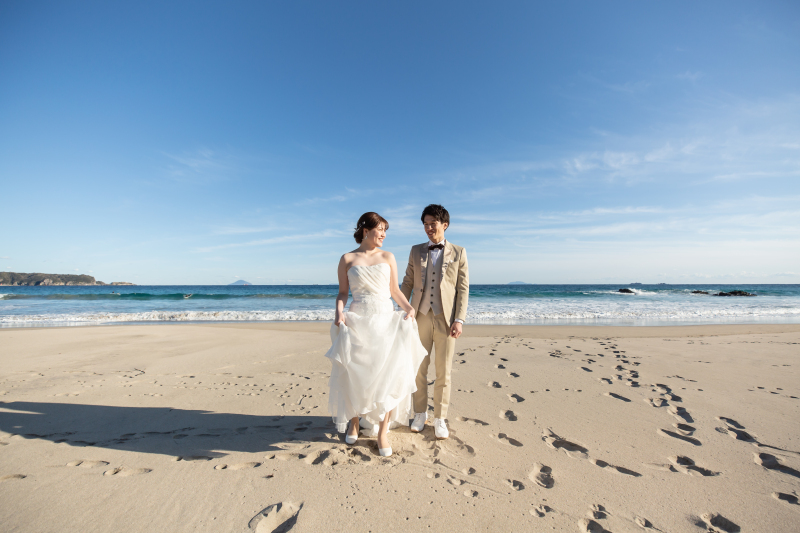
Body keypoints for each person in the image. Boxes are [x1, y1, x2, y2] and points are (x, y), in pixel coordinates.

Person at [325, 212, 427, 457]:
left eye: (385, 230)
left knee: (389, 375)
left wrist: (409, 307)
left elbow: (394, 290)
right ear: (365, 230)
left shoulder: (388, 256)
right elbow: (342, 293)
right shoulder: (347, 258)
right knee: (355, 372)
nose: (383, 234)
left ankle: (382, 432)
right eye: (380, 229)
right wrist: (339, 312)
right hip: (358, 321)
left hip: (384, 322)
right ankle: (354, 421)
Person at [400, 204, 469, 440]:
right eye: (425, 224)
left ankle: (440, 418)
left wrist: (459, 319)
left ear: (444, 225)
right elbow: (407, 282)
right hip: (419, 315)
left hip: (446, 318)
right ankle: (420, 413)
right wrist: (402, 308)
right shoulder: (415, 250)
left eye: (433, 223)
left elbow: (462, 289)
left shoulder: (459, 252)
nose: (429, 228)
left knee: (444, 370)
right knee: (418, 368)